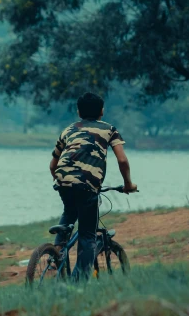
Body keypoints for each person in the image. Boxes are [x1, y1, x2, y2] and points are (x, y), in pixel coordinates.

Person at [49, 92, 137, 280]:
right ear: (102, 112)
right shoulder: (109, 130)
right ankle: (77, 283)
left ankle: (56, 252)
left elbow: (52, 165)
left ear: (79, 112)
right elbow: (122, 160)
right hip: (88, 186)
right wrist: (128, 184)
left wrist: (61, 181)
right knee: (87, 236)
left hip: (63, 182)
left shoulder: (68, 130)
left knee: (69, 210)